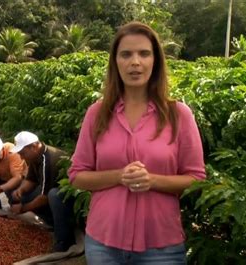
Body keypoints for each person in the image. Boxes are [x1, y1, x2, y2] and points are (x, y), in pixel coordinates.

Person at [68, 21, 206, 265]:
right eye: (126, 54)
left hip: (161, 247)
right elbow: (77, 175)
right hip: (103, 244)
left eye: (144, 53)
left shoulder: (179, 115)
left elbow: (195, 178)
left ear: (155, 60)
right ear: (115, 62)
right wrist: (120, 176)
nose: (135, 62)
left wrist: (151, 180)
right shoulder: (97, 113)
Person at [10, 131, 76, 252]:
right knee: (22, 196)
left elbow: (44, 197)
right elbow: (31, 179)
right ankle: (50, 219)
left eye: (23, 153)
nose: (21, 157)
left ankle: (64, 239)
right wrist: (20, 190)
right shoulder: (35, 156)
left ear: (34, 146)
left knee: (53, 195)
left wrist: (23, 209)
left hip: (70, 196)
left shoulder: (48, 160)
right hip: (50, 190)